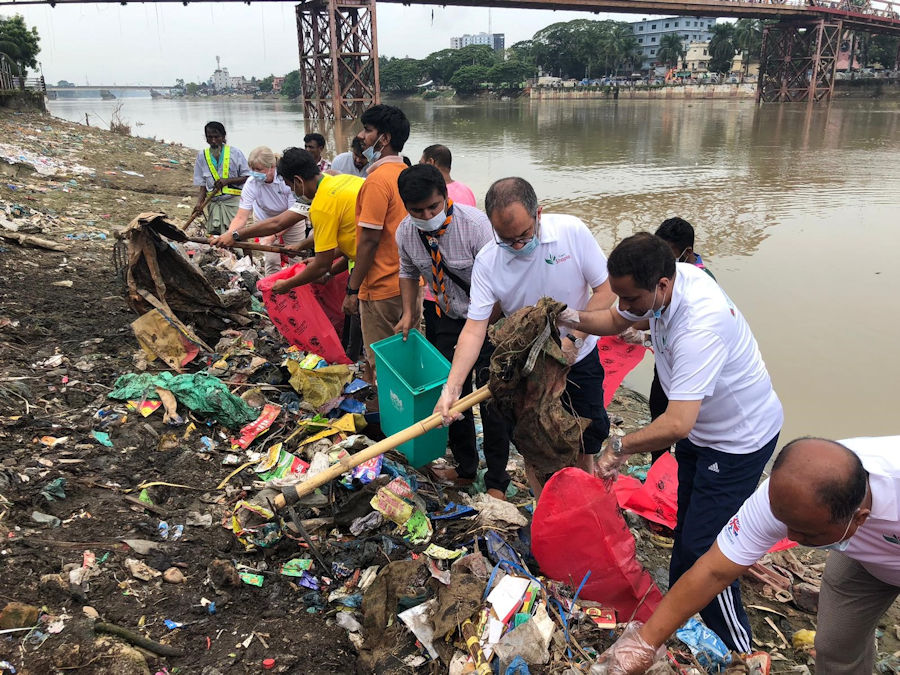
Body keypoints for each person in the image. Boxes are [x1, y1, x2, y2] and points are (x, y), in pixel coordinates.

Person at [559, 232, 783, 653]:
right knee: (689, 540)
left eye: (632, 298)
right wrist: (567, 316)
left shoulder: (700, 323)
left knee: (706, 553)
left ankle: (744, 653)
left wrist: (619, 446)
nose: (625, 307)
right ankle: (694, 622)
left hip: (739, 441)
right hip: (704, 433)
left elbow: (677, 422)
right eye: (620, 296)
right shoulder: (667, 285)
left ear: (661, 285)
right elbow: (615, 320)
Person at [600, 436, 900, 675]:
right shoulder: (786, 497)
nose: (793, 538)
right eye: (788, 527)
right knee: (835, 645)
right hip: (865, 564)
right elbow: (713, 571)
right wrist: (644, 642)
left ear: (860, 518)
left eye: (808, 534)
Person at [435, 177, 615, 493]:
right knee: (533, 440)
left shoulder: (570, 233)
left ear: (538, 214)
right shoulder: (489, 260)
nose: (517, 246)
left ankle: (586, 492)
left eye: (523, 235)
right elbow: (475, 329)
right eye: (507, 239)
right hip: (529, 367)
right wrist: (452, 388)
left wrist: (574, 337)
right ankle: (543, 502)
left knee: (588, 434)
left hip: (579, 354)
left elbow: (605, 288)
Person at [394, 164, 511, 499]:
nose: (427, 215)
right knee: (451, 394)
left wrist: (488, 326)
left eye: (433, 207)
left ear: (446, 197)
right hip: (445, 315)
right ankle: (465, 467)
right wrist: (408, 313)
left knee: (492, 398)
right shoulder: (405, 233)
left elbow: (502, 281)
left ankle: (497, 479)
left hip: (490, 320)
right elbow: (407, 272)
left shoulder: (476, 226)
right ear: (406, 207)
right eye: (417, 210)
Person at [341, 104, 414, 377]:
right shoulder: (407, 174)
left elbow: (369, 241)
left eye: (368, 130)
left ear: (384, 139)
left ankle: (388, 414)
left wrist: (352, 289)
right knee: (405, 357)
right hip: (409, 285)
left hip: (381, 287)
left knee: (381, 363)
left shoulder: (376, 182)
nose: (362, 136)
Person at [645, 217, 716, 464]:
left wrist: (644, 335)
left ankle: (680, 471)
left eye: (668, 254)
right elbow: (653, 312)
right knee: (658, 415)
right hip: (665, 363)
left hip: (688, 368)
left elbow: (688, 327)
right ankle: (659, 472)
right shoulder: (665, 274)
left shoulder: (702, 282)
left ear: (686, 253)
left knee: (684, 427)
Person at [210, 146, 302, 276]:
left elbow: (293, 215)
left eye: (258, 170)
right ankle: (272, 289)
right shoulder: (251, 183)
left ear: (272, 167)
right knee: (271, 260)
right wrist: (230, 234)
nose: (254, 173)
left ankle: (298, 289)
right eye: (252, 169)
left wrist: (273, 236)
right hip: (264, 219)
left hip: (291, 218)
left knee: (296, 256)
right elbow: (241, 217)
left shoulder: (285, 180)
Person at [192, 121, 250, 234]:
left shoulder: (236, 153)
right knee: (216, 236)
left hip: (233, 202)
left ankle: (246, 253)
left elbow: (247, 176)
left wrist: (227, 181)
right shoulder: (202, 156)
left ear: (223, 137)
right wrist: (199, 203)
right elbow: (203, 184)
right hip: (214, 203)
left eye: (216, 137)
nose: (213, 141)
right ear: (206, 138)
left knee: (238, 234)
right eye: (210, 137)